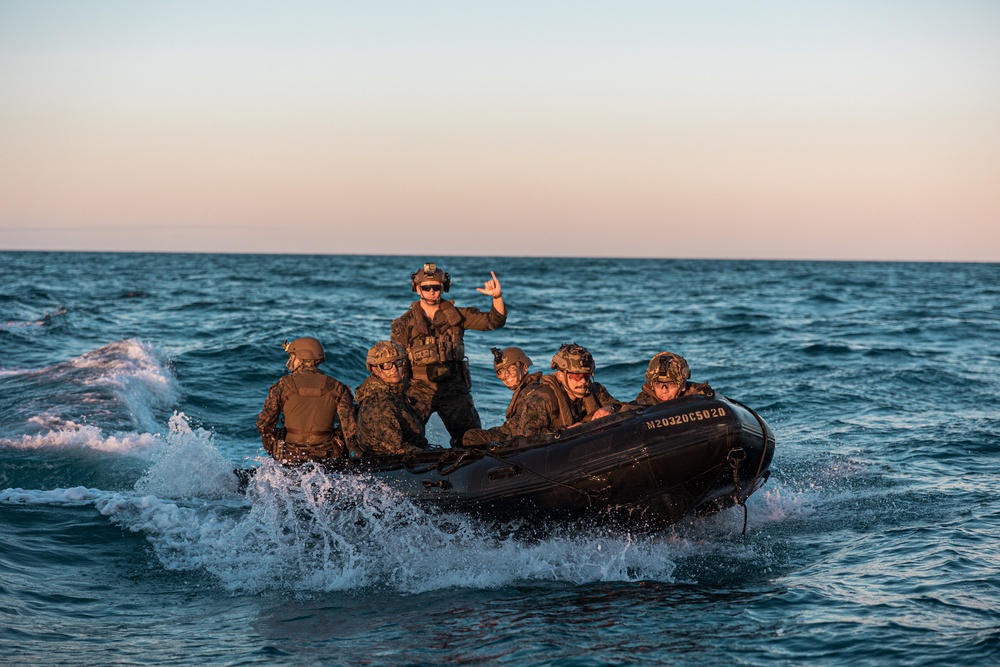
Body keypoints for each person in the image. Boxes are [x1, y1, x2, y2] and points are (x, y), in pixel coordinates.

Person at [390, 262, 507, 444]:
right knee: (407, 440)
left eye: (436, 287)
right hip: (417, 389)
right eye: (426, 287)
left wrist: (497, 296)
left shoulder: (458, 316)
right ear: (417, 289)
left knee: (473, 440)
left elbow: (495, 321)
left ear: (444, 288)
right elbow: (397, 362)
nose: (431, 291)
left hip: (454, 389)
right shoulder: (403, 323)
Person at [256, 337, 359, 464]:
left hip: (290, 456)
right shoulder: (337, 387)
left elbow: (263, 424)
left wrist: (271, 447)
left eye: (291, 357)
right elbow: (350, 429)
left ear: (301, 359)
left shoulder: (283, 386)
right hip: (328, 456)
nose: (288, 363)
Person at [355, 340, 430, 455]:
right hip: (390, 464)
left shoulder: (396, 393)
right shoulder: (379, 402)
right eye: (387, 365)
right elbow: (395, 449)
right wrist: (428, 455)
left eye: (398, 362)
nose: (394, 369)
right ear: (375, 369)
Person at [461, 346, 543, 446]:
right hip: (513, 437)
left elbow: (527, 433)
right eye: (501, 372)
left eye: (511, 369)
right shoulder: (523, 391)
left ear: (524, 368)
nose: (505, 376)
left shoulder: (531, 393)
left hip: (520, 444)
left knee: (471, 436)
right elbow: (514, 425)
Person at [631, 351, 714, 406]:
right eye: (658, 384)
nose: (664, 391)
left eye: (671, 384)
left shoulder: (701, 397)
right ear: (652, 385)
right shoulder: (643, 405)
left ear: (682, 385)